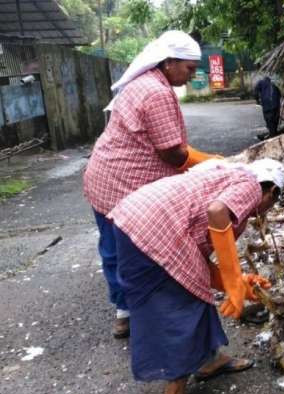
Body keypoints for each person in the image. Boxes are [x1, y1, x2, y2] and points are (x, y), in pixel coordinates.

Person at [109, 158, 284, 394]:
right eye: (272, 204)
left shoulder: (226, 172)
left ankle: (208, 360)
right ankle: (175, 393)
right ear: (273, 191)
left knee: (190, 291)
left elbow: (199, 260)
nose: (263, 211)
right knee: (185, 308)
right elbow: (217, 212)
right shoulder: (252, 186)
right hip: (158, 230)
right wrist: (233, 281)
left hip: (132, 220)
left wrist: (237, 283)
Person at [83, 30, 220, 339]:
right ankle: (143, 314)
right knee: (139, 250)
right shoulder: (156, 92)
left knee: (113, 249)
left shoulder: (143, 84)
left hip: (104, 176)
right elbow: (172, 153)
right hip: (123, 184)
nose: (191, 75)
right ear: (169, 62)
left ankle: (125, 311)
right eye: (188, 69)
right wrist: (211, 163)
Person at [253, 76, 282, 140]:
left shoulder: (261, 82)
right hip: (276, 105)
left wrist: (257, 100)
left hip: (267, 105)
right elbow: (280, 94)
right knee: (274, 121)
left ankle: (272, 137)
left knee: (269, 121)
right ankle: (273, 135)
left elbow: (255, 91)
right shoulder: (274, 85)